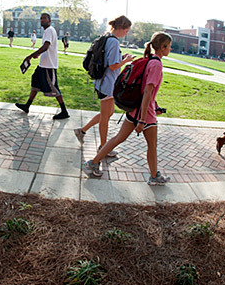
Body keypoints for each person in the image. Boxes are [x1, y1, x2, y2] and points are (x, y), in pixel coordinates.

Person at [83, 32, 172, 184]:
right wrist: (143, 119)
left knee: (119, 138)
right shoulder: (157, 64)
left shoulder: (149, 60)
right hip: (145, 114)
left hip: (134, 109)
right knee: (152, 146)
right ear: (163, 47)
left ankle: (93, 163)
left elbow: (146, 89)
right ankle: (154, 176)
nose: (170, 49)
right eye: (169, 46)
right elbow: (147, 92)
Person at [74, 17, 135, 156]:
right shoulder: (113, 42)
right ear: (121, 27)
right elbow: (113, 66)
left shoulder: (107, 38)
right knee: (105, 117)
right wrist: (126, 61)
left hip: (103, 83)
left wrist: (121, 58)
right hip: (106, 85)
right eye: (126, 30)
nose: (127, 33)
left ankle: (82, 131)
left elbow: (109, 61)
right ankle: (103, 147)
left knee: (107, 114)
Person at [15, 13, 69, 120]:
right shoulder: (47, 31)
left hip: (49, 66)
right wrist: (37, 54)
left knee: (54, 88)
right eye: (41, 19)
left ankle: (64, 111)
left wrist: (31, 55)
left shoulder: (49, 30)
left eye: (44, 18)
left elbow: (46, 46)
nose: (42, 20)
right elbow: (45, 47)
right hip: (43, 65)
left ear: (49, 20)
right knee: (35, 82)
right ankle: (27, 106)